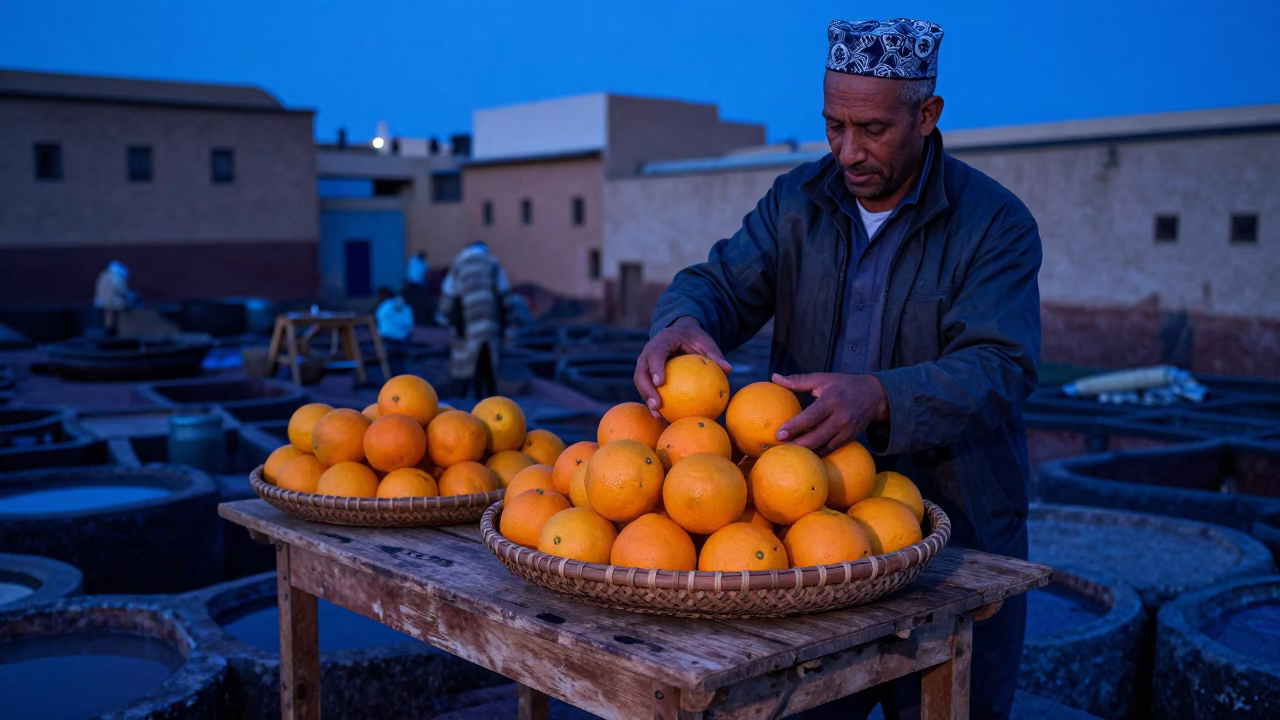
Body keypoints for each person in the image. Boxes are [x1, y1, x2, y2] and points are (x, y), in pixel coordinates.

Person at [634, 18, 1040, 720]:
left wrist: (880, 396)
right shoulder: (798, 201)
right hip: (812, 535)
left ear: (927, 115)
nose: (849, 151)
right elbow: (721, 283)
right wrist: (681, 320)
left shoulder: (995, 224)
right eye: (833, 125)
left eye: (873, 130)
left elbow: (1001, 367)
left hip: (958, 540)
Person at [435, 241, 512, 400]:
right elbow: (504, 291)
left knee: (468, 358)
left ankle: (468, 396)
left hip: (466, 318)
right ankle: (490, 396)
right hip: (490, 318)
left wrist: (443, 316)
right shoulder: (492, 263)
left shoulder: (458, 264)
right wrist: (509, 317)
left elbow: (448, 292)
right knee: (489, 356)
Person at [93, 261, 134, 337]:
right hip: (112, 302)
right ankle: (112, 330)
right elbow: (121, 289)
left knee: (108, 315)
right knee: (113, 314)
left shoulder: (103, 275)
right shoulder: (115, 277)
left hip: (103, 301)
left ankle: (109, 329)